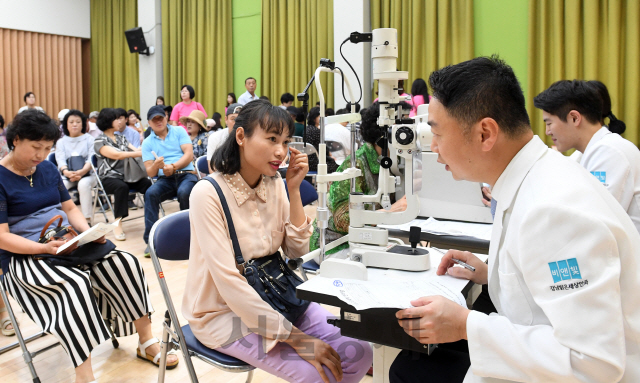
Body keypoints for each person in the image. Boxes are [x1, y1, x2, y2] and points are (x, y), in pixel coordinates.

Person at [389, 56, 640, 383]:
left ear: (485, 134)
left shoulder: (553, 209)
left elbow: (594, 364)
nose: (433, 148)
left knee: (411, 371)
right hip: (537, 352)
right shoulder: (532, 177)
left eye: (436, 133)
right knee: (409, 364)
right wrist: (494, 272)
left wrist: (465, 325)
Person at [184, 99, 373, 383]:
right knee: (314, 375)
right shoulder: (207, 194)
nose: (280, 152)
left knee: (360, 351)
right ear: (240, 136)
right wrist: (298, 340)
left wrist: (293, 190)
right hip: (224, 315)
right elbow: (229, 284)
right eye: (271, 139)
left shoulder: (273, 183)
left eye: (285, 142)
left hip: (278, 295)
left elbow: (297, 251)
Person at [0, 110, 178, 383]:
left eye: (47, 148)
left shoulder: (46, 168)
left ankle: (146, 340)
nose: (41, 154)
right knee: (73, 285)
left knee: (125, 263)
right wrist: (45, 249)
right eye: (36, 147)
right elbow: (2, 237)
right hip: (25, 255)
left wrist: (89, 233)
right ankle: (84, 374)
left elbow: (69, 207)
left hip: (64, 241)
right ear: (16, 139)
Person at [533, 79, 640, 234]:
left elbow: (592, 221)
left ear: (575, 118)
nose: (547, 132)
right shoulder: (585, 153)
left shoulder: (610, 152)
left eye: (549, 123)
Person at [309, 102, 409, 254]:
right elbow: (343, 221)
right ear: (383, 136)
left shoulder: (394, 162)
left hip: (367, 238)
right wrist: (389, 211)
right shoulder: (356, 165)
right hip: (334, 244)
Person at [141, 105, 198, 256]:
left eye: (161, 118)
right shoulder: (147, 143)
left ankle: (191, 237)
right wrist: (156, 165)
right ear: (149, 122)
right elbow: (150, 172)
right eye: (155, 120)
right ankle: (151, 241)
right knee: (150, 193)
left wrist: (173, 166)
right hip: (165, 179)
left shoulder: (179, 131)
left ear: (166, 118)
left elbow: (189, 155)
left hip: (185, 173)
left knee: (185, 192)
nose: (159, 121)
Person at [94, 108, 151, 241]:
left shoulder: (121, 138)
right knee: (121, 187)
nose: (120, 121)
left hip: (127, 176)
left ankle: (151, 217)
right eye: (116, 119)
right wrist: (137, 153)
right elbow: (117, 155)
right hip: (108, 178)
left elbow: (135, 149)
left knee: (147, 184)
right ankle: (117, 223)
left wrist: (146, 148)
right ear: (108, 121)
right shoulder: (99, 140)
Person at [55, 109, 97, 223]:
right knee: (60, 186)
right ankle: (61, 220)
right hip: (68, 175)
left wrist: (82, 172)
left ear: (83, 124)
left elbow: (91, 159)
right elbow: (60, 160)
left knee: (83, 184)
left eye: (78, 122)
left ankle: (87, 220)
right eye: (71, 122)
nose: (75, 124)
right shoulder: (61, 142)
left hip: (88, 174)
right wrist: (67, 172)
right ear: (66, 125)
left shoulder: (90, 139)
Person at [206, 103, 242, 171]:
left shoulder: (249, 139)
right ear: (226, 120)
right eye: (233, 119)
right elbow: (212, 169)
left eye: (240, 119)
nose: (237, 123)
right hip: (220, 178)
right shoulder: (215, 138)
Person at [304, 107, 339, 173]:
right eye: (320, 117)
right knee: (337, 166)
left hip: (307, 161)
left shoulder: (307, 129)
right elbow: (322, 151)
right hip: (316, 164)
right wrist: (330, 158)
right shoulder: (316, 131)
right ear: (314, 118)